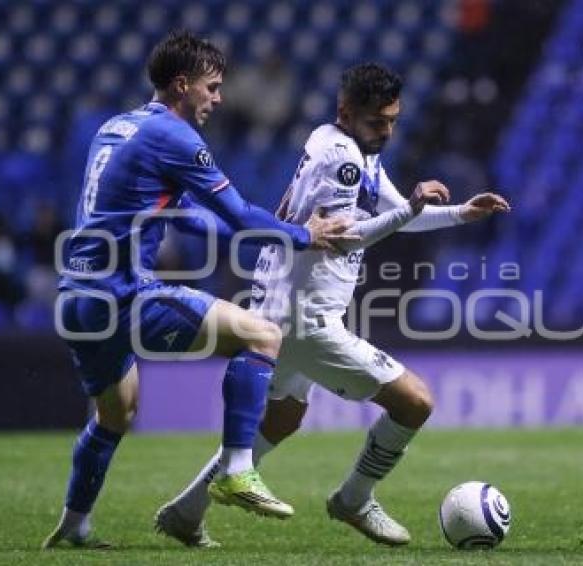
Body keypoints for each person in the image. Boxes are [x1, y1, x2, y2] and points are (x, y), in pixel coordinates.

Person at [155, 63, 509, 547]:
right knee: (415, 402)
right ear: (346, 112)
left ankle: (186, 511)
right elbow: (341, 241)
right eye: (376, 122)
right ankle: (354, 499)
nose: (386, 131)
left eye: (392, 121)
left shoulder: (350, 146)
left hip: (282, 304)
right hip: (305, 319)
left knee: (283, 418)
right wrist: (411, 208)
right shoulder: (341, 161)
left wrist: (461, 213)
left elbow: (398, 213)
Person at [42, 31, 356, 549]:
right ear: (182, 84)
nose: (219, 98)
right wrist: (305, 235)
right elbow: (235, 213)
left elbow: (184, 215)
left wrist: (254, 234)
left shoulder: (117, 125)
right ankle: (235, 469)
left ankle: (74, 526)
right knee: (261, 336)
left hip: (77, 298)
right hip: (122, 295)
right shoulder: (176, 137)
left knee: (115, 414)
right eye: (211, 87)